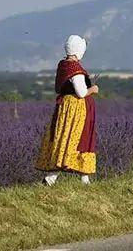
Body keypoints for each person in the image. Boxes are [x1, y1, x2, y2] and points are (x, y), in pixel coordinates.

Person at [35, 34, 99, 185]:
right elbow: (81, 93)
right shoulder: (75, 69)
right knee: (77, 140)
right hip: (76, 109)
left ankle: (53, 177)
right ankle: (80, 178)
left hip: (65, 107)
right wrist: (94, 89)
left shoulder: (63, 64)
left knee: (65, 138)